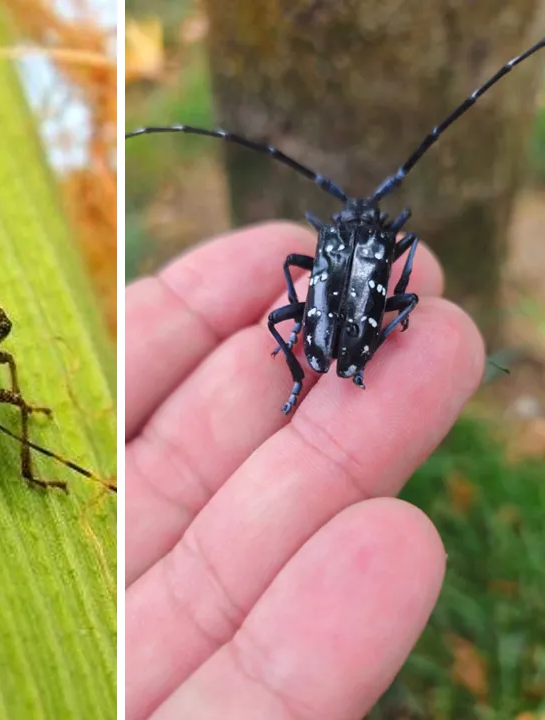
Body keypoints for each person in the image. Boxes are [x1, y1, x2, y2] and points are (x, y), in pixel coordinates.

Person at [124, 221, 485, 718]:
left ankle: (325, 358)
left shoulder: (342, 246)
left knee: (311, 315)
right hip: (336, 336)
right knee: (293, 317)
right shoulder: (365, 246)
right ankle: (323, 363)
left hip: (338, 332)